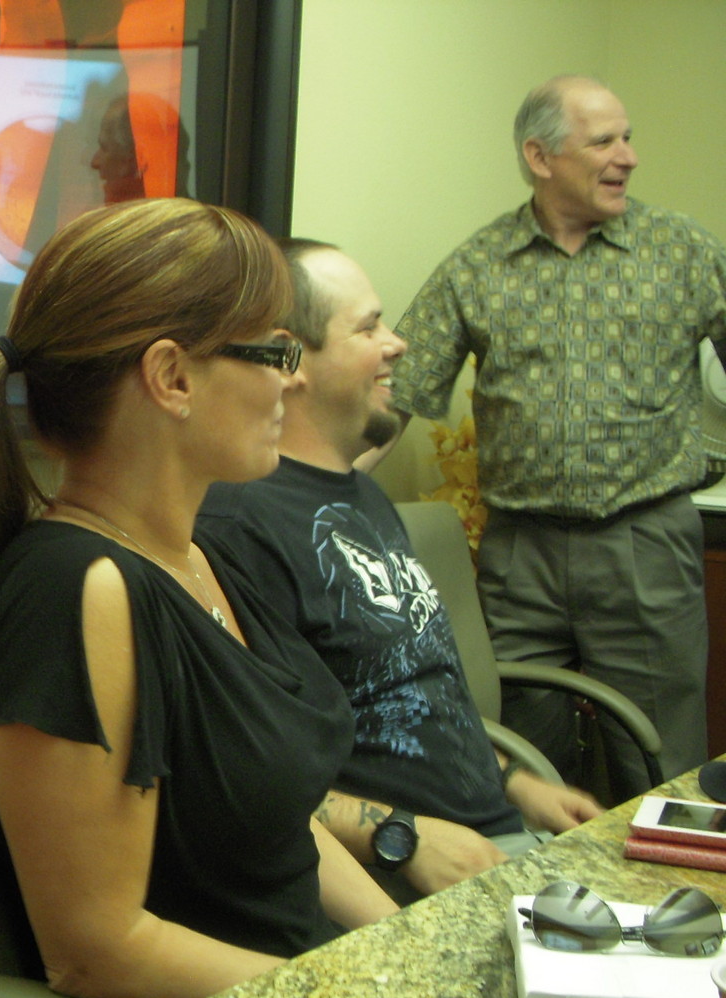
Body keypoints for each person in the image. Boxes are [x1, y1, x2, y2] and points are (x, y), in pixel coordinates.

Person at [0, 198, 398, 998]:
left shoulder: (202, 556)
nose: (293, 378)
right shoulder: (76, 590)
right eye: (275, 351)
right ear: (172, 378)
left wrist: (404, 947)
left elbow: (274, 820)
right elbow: (96, 953)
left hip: (303, 993)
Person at [198, 239, 602, 901]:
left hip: (499, 840)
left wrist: (513, 782)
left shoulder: (362, 493)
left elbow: (412, 691)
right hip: (396, 878)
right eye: (368, 328)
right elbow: (247, 774)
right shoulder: (240, 525)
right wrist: (404, 836)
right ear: (289, 361)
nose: (398, 344)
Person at [395, 75, 726, 801]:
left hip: (644, 544)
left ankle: (664, 878)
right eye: (604, 141)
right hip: (520, 554)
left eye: (627, 137)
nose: (628, 156)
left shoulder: (683, 252)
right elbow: (394, 397)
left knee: (660, 768)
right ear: (540, 157)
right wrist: (301, 485)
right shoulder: (478, 265)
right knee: (518, 762)